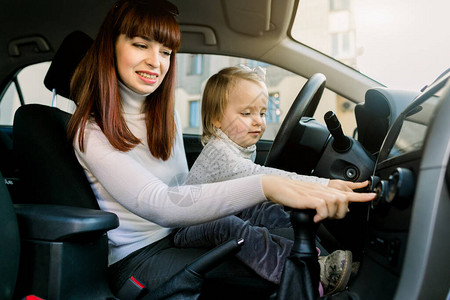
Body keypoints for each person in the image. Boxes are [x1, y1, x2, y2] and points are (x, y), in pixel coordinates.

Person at [67, 0, 376, 296]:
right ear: (110, 45)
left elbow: (185, 190)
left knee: (262, 212)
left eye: (166, 51)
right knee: (249, 240)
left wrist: (322, 186)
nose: (156, 61)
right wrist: (266, 185)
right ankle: (315, 274)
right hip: (138, 260)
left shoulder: (163, 113)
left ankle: (325, 262)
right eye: (140, 45)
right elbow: (158, 203)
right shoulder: (90, 131)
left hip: (178, 233)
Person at [173, 65, 355, 295]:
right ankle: (305, 272)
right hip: (188, 226)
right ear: (217, 119)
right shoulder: (219, 153)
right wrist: (323, 184)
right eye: (247, 113)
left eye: (262, 113)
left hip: (216, 209)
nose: (258, 121)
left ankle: (311, 250)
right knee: (230, 227)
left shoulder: (239, 144)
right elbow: (263, 176)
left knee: (263, 207)